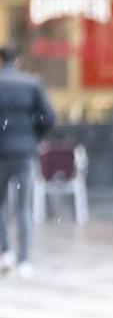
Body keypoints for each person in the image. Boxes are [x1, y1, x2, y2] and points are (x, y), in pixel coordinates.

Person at [0, 44, 55, 279]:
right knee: (23, 207)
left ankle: (5, 253)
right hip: (24, 153)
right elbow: (49, 116)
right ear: (18, 60)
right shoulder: (32, 83)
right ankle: (24, 260)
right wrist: (34, 137)